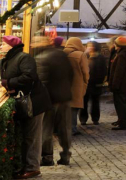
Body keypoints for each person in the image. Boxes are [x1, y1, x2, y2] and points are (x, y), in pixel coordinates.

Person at [0, 35, 50, 179]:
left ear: (11, 46)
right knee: (26, 135)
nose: (0, 46)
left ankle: (33, 168)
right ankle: (24, 166)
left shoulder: (24, 58)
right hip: (25, 102)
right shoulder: (7, 60)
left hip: (34, 102)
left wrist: (8, 82)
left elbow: (29, 77)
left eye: (3, 44)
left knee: (32, 136)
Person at [33, 35, 73, 166]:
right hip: (64, 97)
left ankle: (47, 157)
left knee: (46, 128)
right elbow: (71, 74)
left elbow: (41, 82)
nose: (32, 44)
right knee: (64, 128)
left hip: (49, 99)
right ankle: (66, 154)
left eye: (35, 42)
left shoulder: (39, 58)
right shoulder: (61, 55)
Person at [62, 37, 89, 136]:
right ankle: (72, 128)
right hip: (76, 85)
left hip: (63, 85)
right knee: (73, 107)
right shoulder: (81, 55)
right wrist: (85, 83)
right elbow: (85, 72)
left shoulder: (61, 53)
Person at [79, 41, 107, 126]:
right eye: (89, 46)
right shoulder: (84, 56)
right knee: (84, 102)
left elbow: (103, 70)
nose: (90, 47)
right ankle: (83, 119)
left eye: (92, 46)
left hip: (96, 84)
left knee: (95, 102)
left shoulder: (100, 57)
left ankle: (95, 119)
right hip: (86, 83)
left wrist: (100, 81)